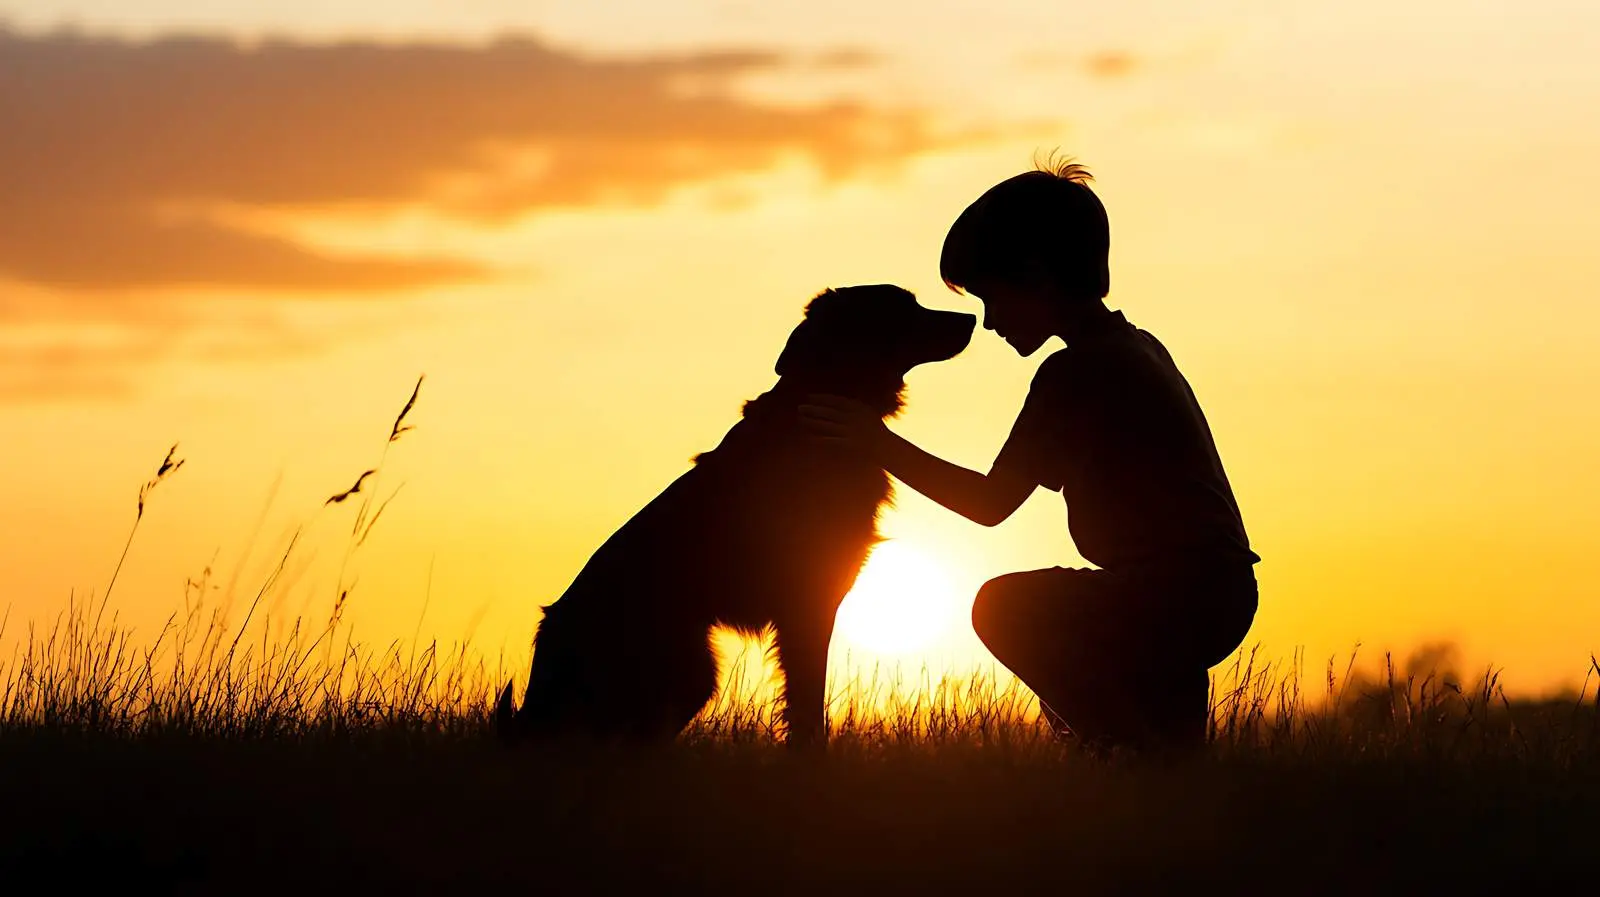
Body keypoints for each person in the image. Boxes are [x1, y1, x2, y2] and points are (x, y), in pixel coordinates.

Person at [800, 158, 1260, 753]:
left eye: (993, 296)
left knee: (1007, 607)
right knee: (1153, 718)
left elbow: (989, 503)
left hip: (1173, 592)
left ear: (1038, 277)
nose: (988, 322)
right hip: (1214, 590)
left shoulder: (1076, 370)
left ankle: (1119, 750)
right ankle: (1154, 767)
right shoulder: (1137, 349)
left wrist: (877, 442)